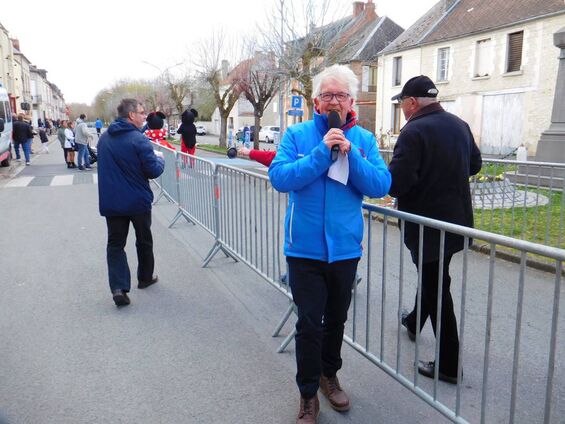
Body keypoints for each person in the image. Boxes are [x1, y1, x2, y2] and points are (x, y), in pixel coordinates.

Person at [269, 64, 391, 423]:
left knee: (336, 319)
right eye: (327, 95)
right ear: (316, 102)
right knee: (309, 323)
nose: (334, 100)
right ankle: (308, 394)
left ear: (352, 100)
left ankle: (328, 374)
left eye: (340, 95)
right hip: (303, 249)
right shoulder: (297, 135)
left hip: (345, 249)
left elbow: (381, 186)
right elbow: (280, 177)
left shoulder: (365, 141)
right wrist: (322, 153)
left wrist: (350, 154)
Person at [387, 75, 482, 384]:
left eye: (402, 103)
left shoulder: (413, 131)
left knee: (437, 287)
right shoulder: (459, 124)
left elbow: (398, 182)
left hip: (426, 226)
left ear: (412, 102)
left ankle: (449, 365)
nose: (402, 109)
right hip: (455, 223)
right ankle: (415, 322)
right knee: (435, 277)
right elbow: (475, 165)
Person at [97, 98, 165, 307]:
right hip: (138, 201)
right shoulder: (139, 140)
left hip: (113, 202)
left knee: (115, 244)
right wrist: (160, 158)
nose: (145, 116)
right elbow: (153, 170)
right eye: (142, 113)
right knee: (144, 240)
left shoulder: (104, 138)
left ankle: (119, 288)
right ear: (131, 116)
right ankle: (145, 278)